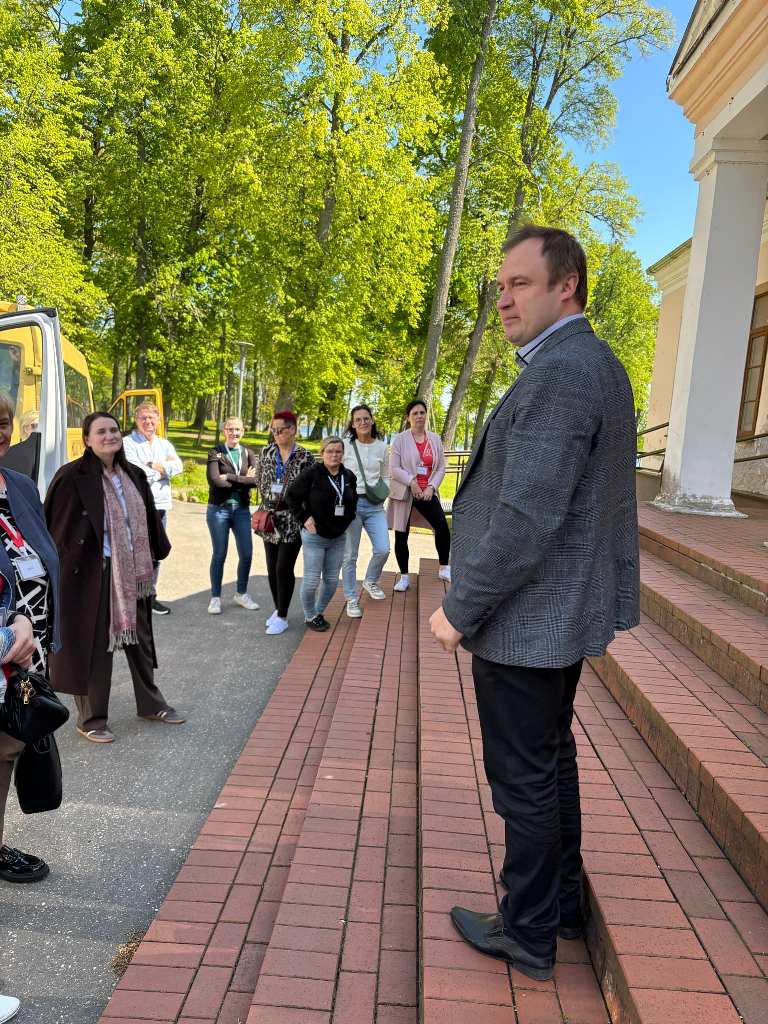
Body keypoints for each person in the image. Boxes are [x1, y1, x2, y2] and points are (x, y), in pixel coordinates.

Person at [430, 225, 640, 981]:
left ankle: (527, 932)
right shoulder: (588, 362)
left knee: (523, 778)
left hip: (527, 619)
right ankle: (560, 909)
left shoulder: (561, 373)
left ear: (566, 285)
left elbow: (526, 516)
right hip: (551, 616)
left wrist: (459, 609)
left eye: (519, 283)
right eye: (501, 286)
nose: (504, 299)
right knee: (549, 764)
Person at [45, 411, 185, 743]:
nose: (109, 436)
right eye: (101, 432)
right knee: (95, 647)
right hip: (92, 573)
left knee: (140, 642)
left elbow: (148, 518)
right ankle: (91, 718)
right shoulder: (71, 476)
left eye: (114, 430)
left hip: (134, 572)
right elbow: (55, 527)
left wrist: (157, 550)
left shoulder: (134, 474)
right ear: (87, 439)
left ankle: (151, 703)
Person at [0, 391, 61, 884]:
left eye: (2, 423)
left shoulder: (19, 484)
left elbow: (42, 553)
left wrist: (40, 629)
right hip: (5, 640)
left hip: (29, 645)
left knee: (7, 747)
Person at [285, 437, 357, 632]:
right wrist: (304, 518)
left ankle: (317, 612)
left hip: (338, 538)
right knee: (311, 581)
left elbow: (352, 502)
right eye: (330, 451)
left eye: (338, 451)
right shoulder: (311, 474)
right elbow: (291, 496)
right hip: (315, 537)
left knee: (332, 581)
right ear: (322, 453)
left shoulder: (348, 476)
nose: (334, 455)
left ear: (343, 454)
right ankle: (310, 615)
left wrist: (347, 519)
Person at [253, 410, 314, 635]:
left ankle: (282, 616)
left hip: (292, 519)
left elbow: (310, 489)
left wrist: (304, 514)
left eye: (280, 430)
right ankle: (278, 607)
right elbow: (259, 480)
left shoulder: (304, 457)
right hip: (270, 517)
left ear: (292, 430)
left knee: (283, 567)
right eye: (274, 430)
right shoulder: (266, 452)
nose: (276, 434)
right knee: (271, 567)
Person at [122, 401, 183, 615]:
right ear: (136, 420)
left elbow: (178, 466)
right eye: (143, 418)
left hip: (161, 505)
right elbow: (135, 471)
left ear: (158, 420)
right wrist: (161, 470)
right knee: (136, 552)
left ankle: (149, 597)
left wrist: (153, 466)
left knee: (156, 551)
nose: (148, 421)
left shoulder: (164, 444)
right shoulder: (128, 443)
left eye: (151, 417)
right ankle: (132, 598)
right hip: (138, 505)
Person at [388, 399, 451, 591]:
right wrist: (412, 482)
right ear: (408, 418)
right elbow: (394, 468)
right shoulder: (400, 440)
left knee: (442, 527)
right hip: (405, 493)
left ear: (426, 415)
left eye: (422, 412)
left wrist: (432, 486)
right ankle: (404, 577)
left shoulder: (435, 439)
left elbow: (441, 467)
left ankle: (444, 568)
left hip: (427, 493)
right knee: (401, 534)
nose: (419, 416)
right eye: (415, 413)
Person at [205, 416, 260, 615]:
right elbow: (214, 481)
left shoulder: (248, 453)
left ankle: (241, 593)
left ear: (243, 432)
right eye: (230, 429)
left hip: (242, 511)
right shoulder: (215, 452)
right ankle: (215, 598)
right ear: (224, 431)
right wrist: (243, 480)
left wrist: (229, 477)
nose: (234, 433)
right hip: (218, 510)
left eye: (237, 429)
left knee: (246, 553)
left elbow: (256, 481)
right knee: (220, 554)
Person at [341, 405, 390, 617]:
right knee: (350, 556)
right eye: (358, 419)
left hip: (375, 506)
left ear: (372, 420)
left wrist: (385, 491)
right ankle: (351, 599)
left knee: (383, 548)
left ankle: (370, 580)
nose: (363, 422)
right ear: (353, 424)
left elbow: (385, 474)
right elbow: (334, 471)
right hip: (352, 506)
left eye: (366, 418)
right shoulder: (345, 446)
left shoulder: (382, 447)